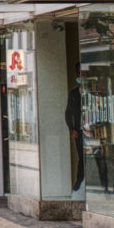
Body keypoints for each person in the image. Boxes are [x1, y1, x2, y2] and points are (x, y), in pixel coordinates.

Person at [66, 62, 84, 192]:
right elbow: (68, 113)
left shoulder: (97, 91)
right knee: (82, 159)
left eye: (82, 72)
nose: (80, 75)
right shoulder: (74, 94)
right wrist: (72, 129)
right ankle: (79, 184)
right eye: (78, 72)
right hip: (80, 131)